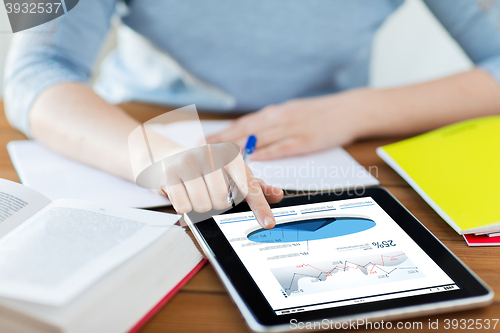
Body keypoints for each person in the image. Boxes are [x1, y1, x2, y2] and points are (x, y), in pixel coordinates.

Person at [5, 0, 500, 229]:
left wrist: (360, 109)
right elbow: (31, 70)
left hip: (332, 147)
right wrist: (152, 152)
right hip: (130, 127)